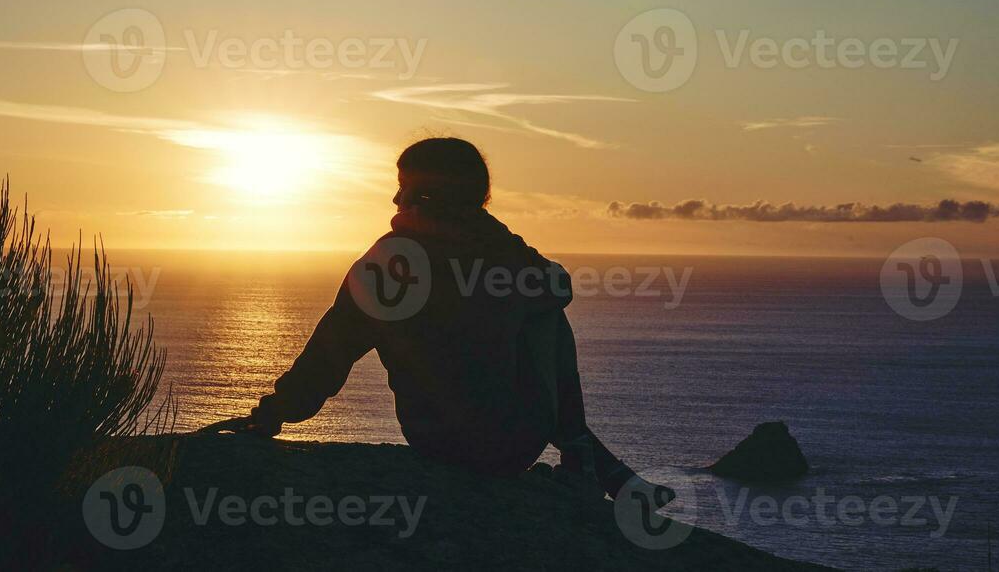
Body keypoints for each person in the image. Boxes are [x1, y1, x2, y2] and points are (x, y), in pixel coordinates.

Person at [207, 137, 666, 501]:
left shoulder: (393, 261)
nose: (394, 196)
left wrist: (274, 415)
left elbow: (334, 347)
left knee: (540, 310)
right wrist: (493, 239)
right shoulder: (500, 255)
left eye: (402, 184)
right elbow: (558, 287)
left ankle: (592, 461)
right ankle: (586, 460)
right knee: (545, 317)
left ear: (423, 193)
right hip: (512, 446)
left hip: (438, 439)